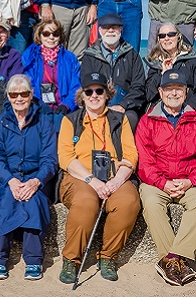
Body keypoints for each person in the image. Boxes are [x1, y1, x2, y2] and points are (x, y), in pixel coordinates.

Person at [57, 72, 140, 284]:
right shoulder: (70, 121)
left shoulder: (120, 120)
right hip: (79, 177)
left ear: (107, 94)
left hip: (114, 175)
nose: (94, 95)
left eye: (99, 91)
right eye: (89, 91)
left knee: (128, 201)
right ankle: (71, 259)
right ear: (82, 96)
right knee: (86, 202)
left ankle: (108, 256)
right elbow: (66, 157)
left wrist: (116, 181)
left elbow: (130, 155)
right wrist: (92, 181)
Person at [136, 69, 196, 287]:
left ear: (186, 92)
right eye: (169, 89)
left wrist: (190, 181)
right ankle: (177, 262)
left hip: (188, 180)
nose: (174, 93)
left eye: (178, 89)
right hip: (157, 181)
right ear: (160, 92)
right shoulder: (147, 121)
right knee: (150, 203)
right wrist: (163, 183)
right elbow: (145, 163)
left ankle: (171, 259)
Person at [0, 75, 59, 280]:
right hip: (7, 179)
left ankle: (34, 259)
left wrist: (36, 181)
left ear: (32, 94)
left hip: (36, 178)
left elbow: (49, 159)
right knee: (6, 201)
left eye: (24, 93)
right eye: (14, 94)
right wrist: (10, 180)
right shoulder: (1, 122)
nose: (19, 98)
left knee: (33, 201)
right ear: (8, 96)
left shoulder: (43, 121)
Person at [80, 13, 146, 128]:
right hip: (97, 103)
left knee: (131, 118)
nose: (110, 30)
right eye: (106, 27)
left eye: (114, 27)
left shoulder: (132, 56)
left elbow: (139, 87)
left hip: (126, 106)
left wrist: (123, 105)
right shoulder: (89, 57)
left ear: (121, 29)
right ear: (100, 30)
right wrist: (100, 106)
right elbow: (86, 86)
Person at [21, 19, 81, 129]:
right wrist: (38, 103)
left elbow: (76, 86)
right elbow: (28, 83)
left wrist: (67, 105)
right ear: (40, 35)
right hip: (38, 108)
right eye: (46, 34)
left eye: (55, 34)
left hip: (63, 110)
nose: (51, 37)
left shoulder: (70, 58)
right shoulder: (30, 57)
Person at [143, 22, 196, 117]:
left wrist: (189, 110)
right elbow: (149, 95)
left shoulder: (195, 60)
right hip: (160, 114)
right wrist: (162, 74)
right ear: (158, 39)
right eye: (162, 36)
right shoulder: (155, 63)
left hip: (187, 113)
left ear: (179, 36)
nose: (166, 38)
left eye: (171, 34)